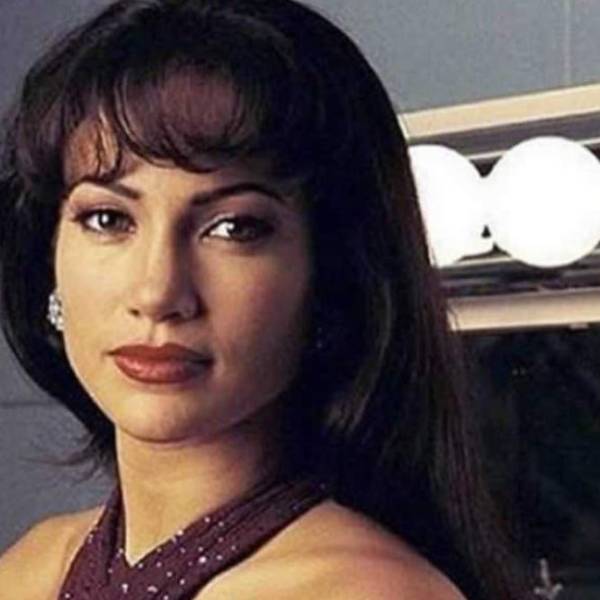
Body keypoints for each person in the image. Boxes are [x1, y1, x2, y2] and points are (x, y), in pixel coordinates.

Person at [0, 1, 528, 598]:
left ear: (330, 276)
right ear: (48, 259)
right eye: (107, 218)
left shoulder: (370, 591)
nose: (158, 292)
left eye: (234, 228)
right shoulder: (33, 567)